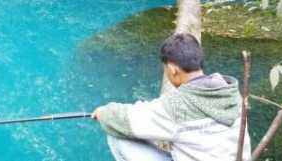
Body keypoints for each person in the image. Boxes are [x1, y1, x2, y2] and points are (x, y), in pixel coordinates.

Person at [92, 33, 250, 161]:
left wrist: (102, 112)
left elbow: (123, 120)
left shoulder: (177, 106)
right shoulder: (230, 92)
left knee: (117, 134)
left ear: (173, 69)